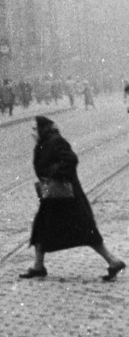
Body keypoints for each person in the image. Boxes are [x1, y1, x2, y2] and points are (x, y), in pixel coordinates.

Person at [20, 116, 125, 282]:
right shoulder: (44, 142)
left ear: (43, 128)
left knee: (83, 230)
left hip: (65, 193)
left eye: (35, 129)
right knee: (41, 227)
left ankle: (113, 260)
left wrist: (54, 174)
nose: (32, 133)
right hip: (53, 191)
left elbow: (71, 159)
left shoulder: (55, 141)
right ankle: (38, 266)